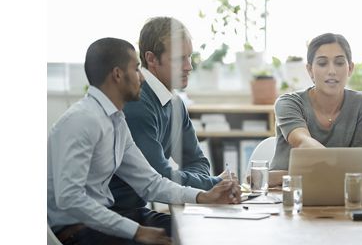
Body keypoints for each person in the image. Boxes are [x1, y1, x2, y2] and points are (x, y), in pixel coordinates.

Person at [47, 38, 241, 245]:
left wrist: (204, 196)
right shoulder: (81, 120)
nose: (142, 78)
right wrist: (136, 231)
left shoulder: (117, 121)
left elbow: (150, 182)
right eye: (137, 69)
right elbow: (70, 198)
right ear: (118, 74)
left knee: (195, 228)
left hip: (110, 220)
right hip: (78, 231)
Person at [109, 17, 234, 213]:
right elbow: (159, 176)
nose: (188, 67)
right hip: (112, 213)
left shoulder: (175, 103)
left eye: (189, 57)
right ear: (151, 59)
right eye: (178, 59)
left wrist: (202, 182)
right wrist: (214, 183)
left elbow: (197, 161)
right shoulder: (137, 103)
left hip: (132, 211)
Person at [269, 33, 362, 185]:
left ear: (350, 68)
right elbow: (303, 143)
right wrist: (340, 170)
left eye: (339, 63)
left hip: (339, 193)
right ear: (309, 70)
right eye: (322, 63)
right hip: (285, 193)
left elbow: (358, 169)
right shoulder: (289, 103)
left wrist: (283, 175)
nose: (332, 71)